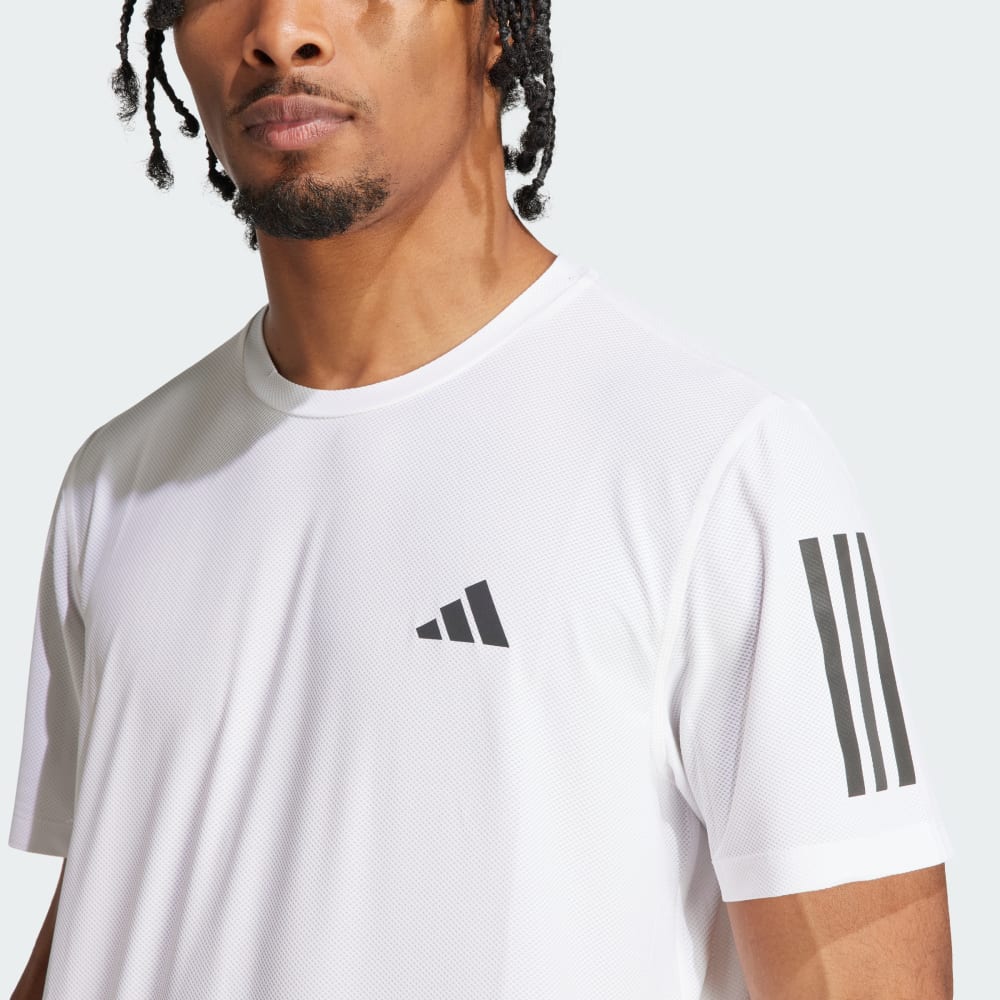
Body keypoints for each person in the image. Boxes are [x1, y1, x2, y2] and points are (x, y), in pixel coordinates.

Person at [8, 2, 954, 998]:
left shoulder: (731, 468)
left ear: (495, 23)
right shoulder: (117, 479)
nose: (281, 29)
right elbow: (122, 909)